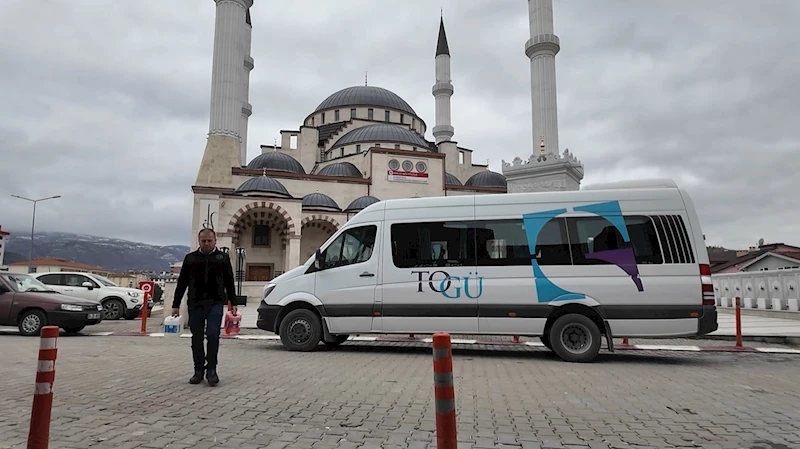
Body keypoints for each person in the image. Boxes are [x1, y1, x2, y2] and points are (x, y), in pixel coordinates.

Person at [171, 228, 237, 386]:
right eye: (203, 241)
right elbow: (182, 283)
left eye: (209, 241)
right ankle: (198, 371)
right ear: (199, 241)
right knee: (197, 338)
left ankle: (212, 370)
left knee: (213, 336)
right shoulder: (191, 259)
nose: (206, 244)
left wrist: (233, 302)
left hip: (215, 303)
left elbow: (229, 281)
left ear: (215, 241)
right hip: (195, 304)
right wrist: (175, 304)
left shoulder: (223, 258)